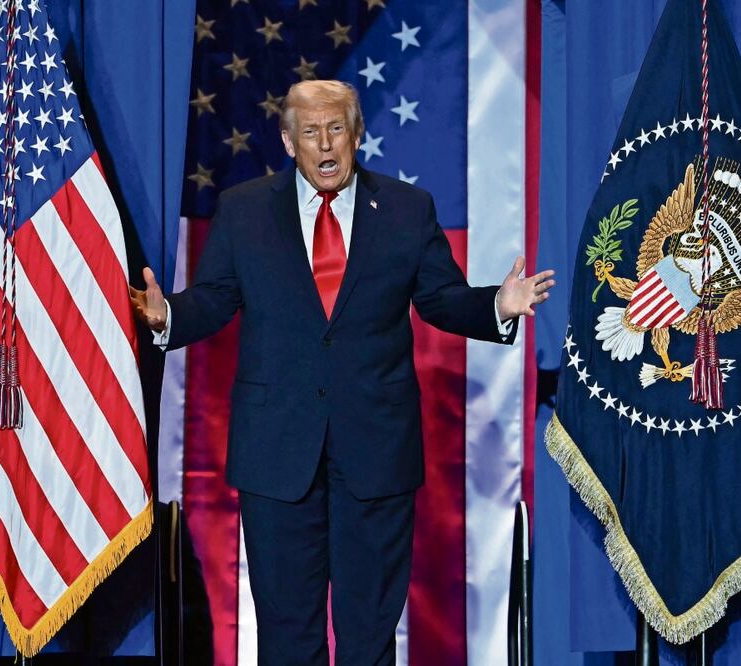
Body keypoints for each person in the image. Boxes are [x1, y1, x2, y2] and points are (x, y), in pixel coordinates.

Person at [130, 80, 555, 665]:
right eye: (310, 132)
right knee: (287, 636)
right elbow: (214, 299)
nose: (325, 144)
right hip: (277, 452)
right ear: (288, 141)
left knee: (369, 637)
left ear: (357, 135)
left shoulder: (407, 209)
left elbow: (441, 299)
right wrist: (167, 316)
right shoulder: (244, 210)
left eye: (336, 129)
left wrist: (496, 306)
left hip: (376, 452)